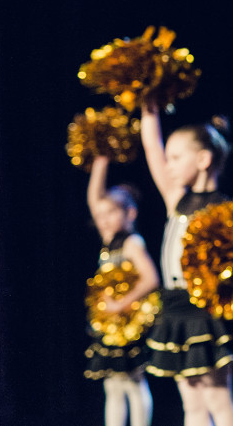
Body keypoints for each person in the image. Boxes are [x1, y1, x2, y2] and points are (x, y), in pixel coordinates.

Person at [139, 104, 233, 426]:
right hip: (174, 307)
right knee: (190, 403)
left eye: (176, 157)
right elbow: (151, 147)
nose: (168, 164)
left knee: (217, 398)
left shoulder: (225, 209)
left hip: (207, 310)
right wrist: (147, 105)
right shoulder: (176, 198)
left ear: (204, 160)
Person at [84, 156, 159, 426]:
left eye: (111, 213)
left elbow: (151, 278)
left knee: (133, 383)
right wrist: (101, 161)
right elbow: (94, 198)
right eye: (100, 215)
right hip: (112, 326)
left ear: (130, 213)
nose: (102, 219)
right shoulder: (108, 241)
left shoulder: (131, 243)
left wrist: (121, 304)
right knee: (112, 386)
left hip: (129, 323)